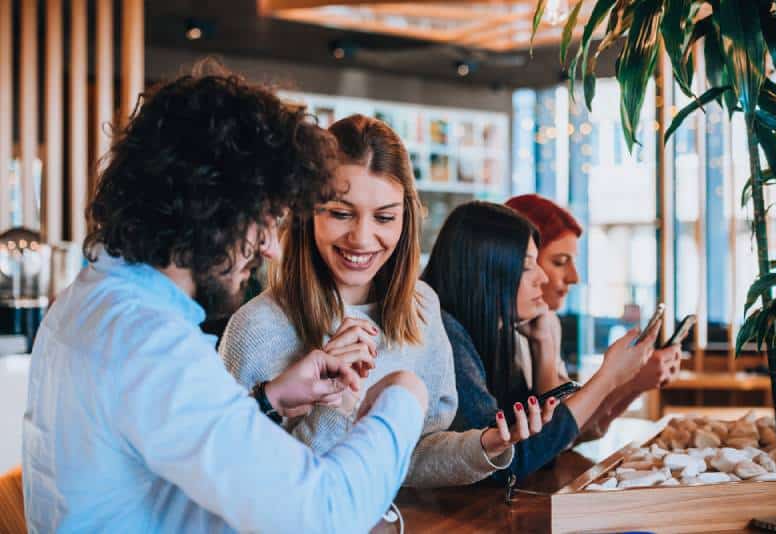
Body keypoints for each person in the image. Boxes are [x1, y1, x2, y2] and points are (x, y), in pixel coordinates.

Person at [22, 68, 429, 534]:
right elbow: (321, 513)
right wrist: (402, 397)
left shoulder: (89, 299)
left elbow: (158, 448)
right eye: (262, 223)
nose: (271, 249)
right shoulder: (148, 343)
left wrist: (269, 401)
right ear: (212, 211)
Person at [221, 115, 554, 488]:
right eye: (341, 213)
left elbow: (410, 454)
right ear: (306, 215)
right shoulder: (256, 330)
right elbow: (248, 487)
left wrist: (486, 446)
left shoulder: (422, 308)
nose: (362, 238)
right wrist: (338, 406)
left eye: (384, 217)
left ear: (405, 219)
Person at [421, 201, 659, 483]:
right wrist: (608, 377)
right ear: (486, 270)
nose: (542, 278)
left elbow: (545, 439)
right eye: (526, 267)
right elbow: (507, 459)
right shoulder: (445, 336)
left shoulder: (499, 335)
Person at [506, 193, 682, 439]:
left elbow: (587, 429)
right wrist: (626, 380)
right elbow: (552, 441)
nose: (574, 277)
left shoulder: (547, 323)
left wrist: (634, 383)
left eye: (572, 262)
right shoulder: (500, 332)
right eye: (559, 262)